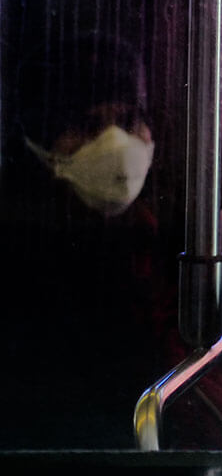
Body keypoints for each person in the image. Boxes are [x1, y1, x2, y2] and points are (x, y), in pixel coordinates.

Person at [0, 33, 176, 448]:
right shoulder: (21, 256)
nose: (115, 144)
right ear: (40, 142)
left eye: (129, 121)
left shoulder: (158, 238)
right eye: (88, 126)